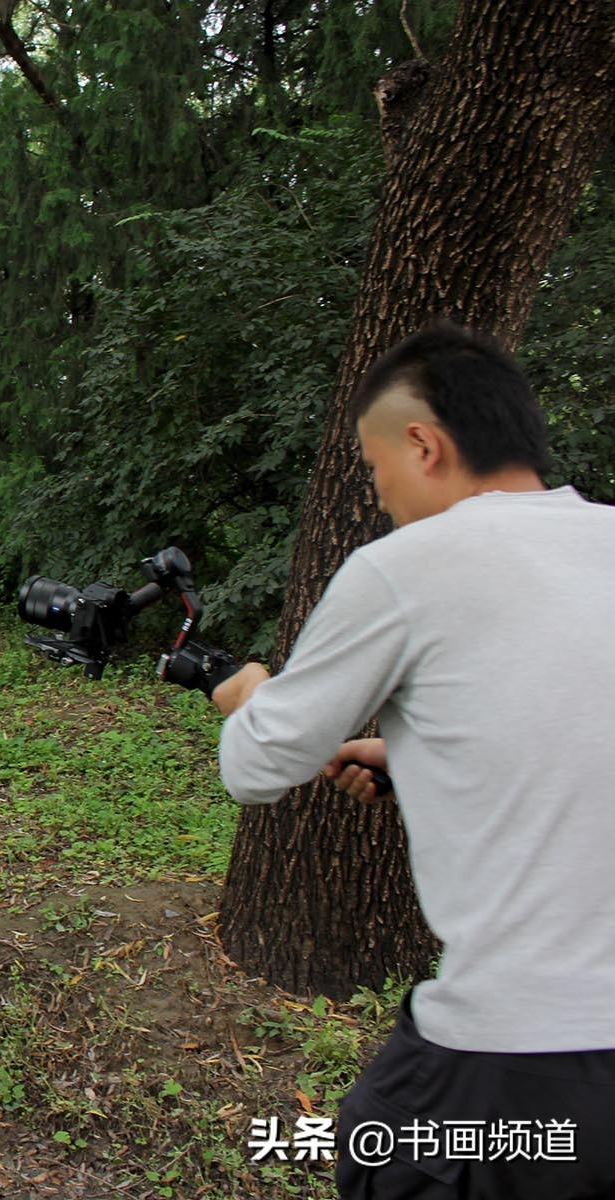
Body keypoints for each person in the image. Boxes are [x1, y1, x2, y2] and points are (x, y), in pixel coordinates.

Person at [212, 320, 615, 1199]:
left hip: (522, 1052)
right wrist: (423, 752)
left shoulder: (407, 567)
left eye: (375, 468)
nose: (381, 496)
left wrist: (249, 696)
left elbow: (257, 765)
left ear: (424, 445)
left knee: (366, 1149)